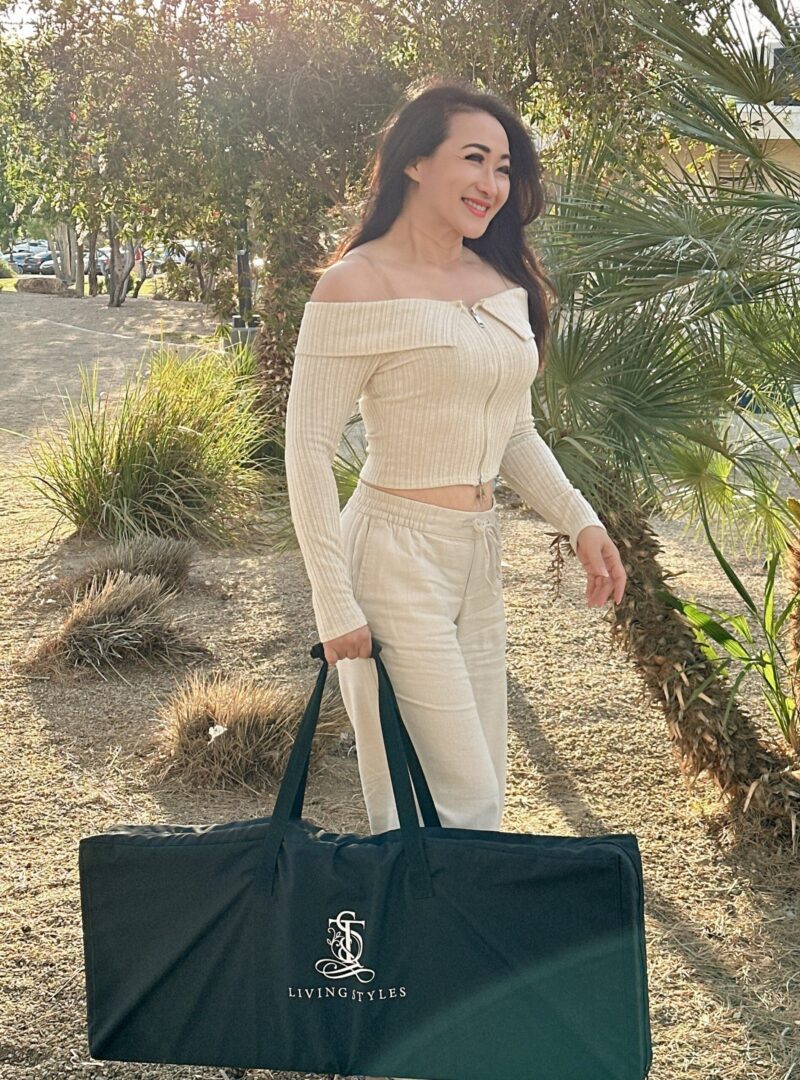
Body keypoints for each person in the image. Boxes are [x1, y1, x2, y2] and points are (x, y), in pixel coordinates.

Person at [283, 77, 626, 1080]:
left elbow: (514, 431)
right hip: (387, 557)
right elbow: (305, 449)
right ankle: (439, 1034)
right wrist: (333, 602)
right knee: (447, 805)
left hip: (476, 565)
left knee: (479, 802)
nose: (492, 181)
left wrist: (581, 520)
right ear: (415, 163)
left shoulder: (503, 285)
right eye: (473, 158)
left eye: (505, 165)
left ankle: (435, 1024)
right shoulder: (355, 284)